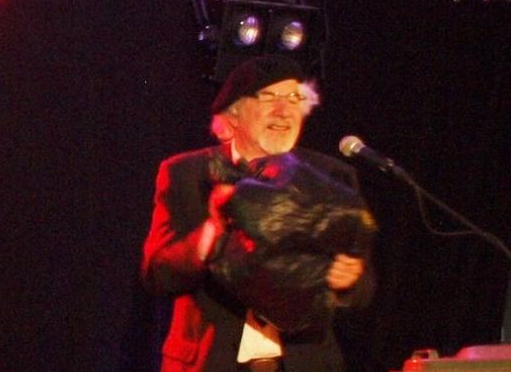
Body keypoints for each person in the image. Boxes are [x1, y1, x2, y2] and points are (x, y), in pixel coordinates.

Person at [142, 56, 374, 372]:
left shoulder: (332, 176)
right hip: (213, 363)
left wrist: (350, 279)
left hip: (305, 363)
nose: (284, 110)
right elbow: (157, 275)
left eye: (294, 98)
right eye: (268, 97)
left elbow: (364, 285)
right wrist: (210, 234)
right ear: (233, 113)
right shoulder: (186, 173)